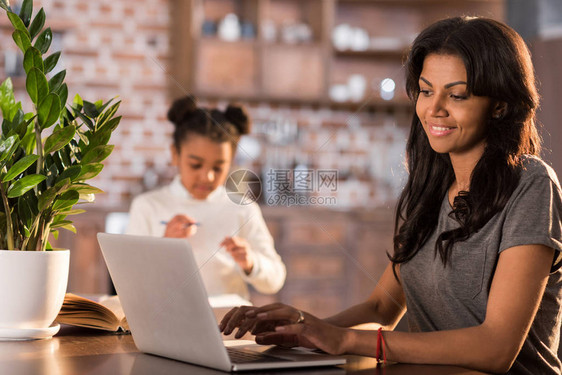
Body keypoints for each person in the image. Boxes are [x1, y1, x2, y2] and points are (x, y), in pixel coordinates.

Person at [219, 16, 562, 374]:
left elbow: (495, 348)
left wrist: (346, 340)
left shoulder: (532, 185)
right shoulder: (430, 188)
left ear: (500, 105)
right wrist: (303, 328)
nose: (434, 108)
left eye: (456, 95)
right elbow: (381, 310)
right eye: (427, 91)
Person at [126, 96, 286, 301]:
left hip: (227, 325)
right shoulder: (148, 207)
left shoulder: (243, 209)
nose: (207, 176)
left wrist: (250, 262)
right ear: (175, 154)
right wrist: (164, 246)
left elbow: (275, 280)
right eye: (195, 165)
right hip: (166, 317)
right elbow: (130, 280)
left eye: (218, 167)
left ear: (232, 158)